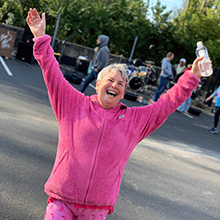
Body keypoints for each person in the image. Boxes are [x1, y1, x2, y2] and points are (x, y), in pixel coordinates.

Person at [26, 8, 202, 220]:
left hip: (97, 206)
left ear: (124, 91)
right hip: (62, 198)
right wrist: (40, 36)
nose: (114, 85)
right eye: (110, 80)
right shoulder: (72, 104)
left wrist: (191, 78)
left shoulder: (136, 120)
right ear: (98, 83)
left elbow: (167, 104)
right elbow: (51, 71)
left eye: (121, 83)